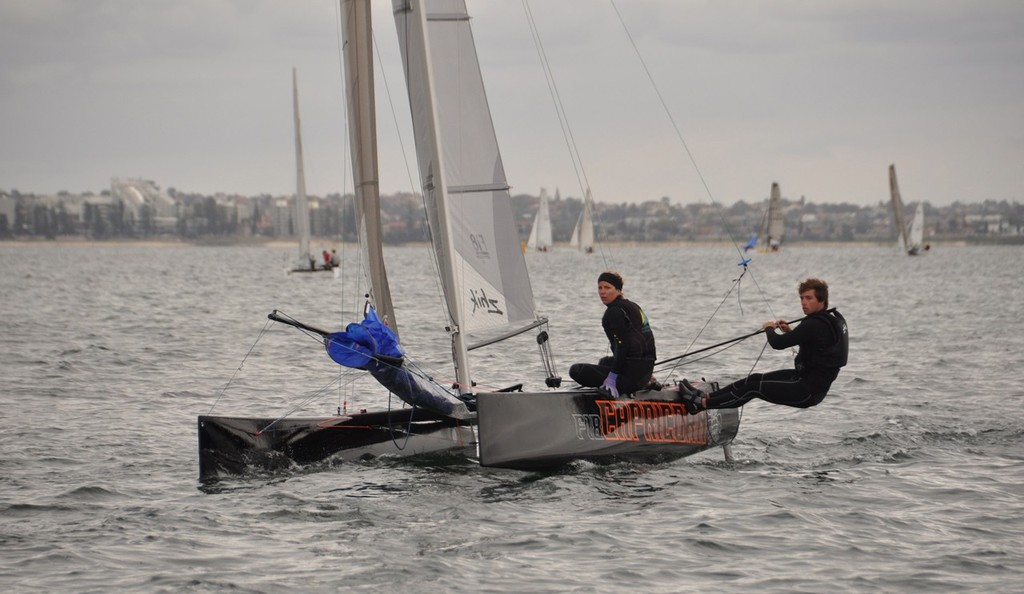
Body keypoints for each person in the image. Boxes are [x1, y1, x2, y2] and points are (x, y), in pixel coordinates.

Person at [679, 278, 847, 414]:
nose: (803, 303)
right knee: (754, 378)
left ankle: (700, 404)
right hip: (803, 379)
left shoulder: (814, 324)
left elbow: (777, 343)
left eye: (808, 298)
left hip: (807, 391)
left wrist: (768, 328)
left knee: (753, 388)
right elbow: (816, 343)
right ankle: (707, 396)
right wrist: (789, 331)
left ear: (822, 300)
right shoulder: (826, 321)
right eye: (802, 298)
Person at [569, 271, 657, 398]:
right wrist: (646, 374)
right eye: (600, 287)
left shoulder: (613, 313)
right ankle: (647, 381)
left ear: (618, 290)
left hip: (632, 378)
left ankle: (614, 387)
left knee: (576, 371)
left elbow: (622, 347)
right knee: (604, 362)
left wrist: (612, 378)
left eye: (607, 287)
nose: (602, 292)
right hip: (645, 371)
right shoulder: (633, 306)